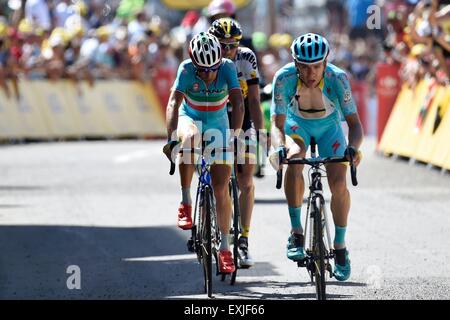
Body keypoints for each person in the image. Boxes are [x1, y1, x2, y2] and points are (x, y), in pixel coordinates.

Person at [270, 33, 363, 281]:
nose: (311, 73)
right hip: (296, 127)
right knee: (295, 157)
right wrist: (279, 147)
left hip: (329, 130)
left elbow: (355, 125)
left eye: (316, 66)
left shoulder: (338, 78)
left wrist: (353, 149)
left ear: (325, 63)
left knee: (339, 184)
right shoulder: (284, 78)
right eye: (304, 66)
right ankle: (296, 231)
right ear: (295, 64)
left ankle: (340, 246)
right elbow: (277, 125)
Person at [163, 32, 244, 274]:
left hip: (218, 122)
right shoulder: (186, 69)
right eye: (203, 70)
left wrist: (235, 136)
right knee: (189, 139)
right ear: (194, 63)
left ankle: (226, 248)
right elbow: (173, 104)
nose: (208, 74)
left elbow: (238, 104)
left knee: (221, 188)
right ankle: (186, 201)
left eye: (213, 69)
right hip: (191, 117)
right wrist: (170, 139)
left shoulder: (228, 67)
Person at [208, 18, 265, 268]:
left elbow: (253, 100)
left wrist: (260, 135)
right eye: (223, 45)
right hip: (217, 120)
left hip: (245, 120)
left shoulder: (247, 57)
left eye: (232, 46)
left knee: (245, 180)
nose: (228, 51)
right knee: (218, 179)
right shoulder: (207, 56)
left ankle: (244, 239)